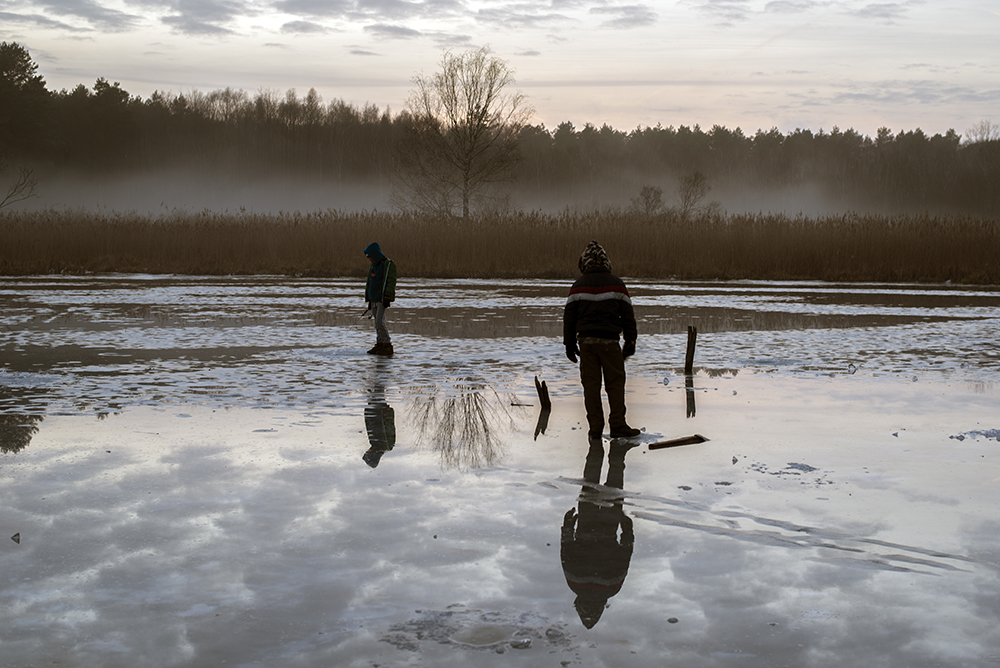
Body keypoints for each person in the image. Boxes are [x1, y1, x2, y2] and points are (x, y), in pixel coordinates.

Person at [563, 240, 640, 439]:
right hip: (610, 343)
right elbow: (628, 317)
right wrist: (630, 341)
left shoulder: (577, 287)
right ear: (606, 262)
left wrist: (569, 344)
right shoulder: (617, 284)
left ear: (584, 263)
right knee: (615, 384)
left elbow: (569, 319)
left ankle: (595, 428)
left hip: (587, 344)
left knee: (591, 386)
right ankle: (618, 425)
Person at [363, 242, 397, 356]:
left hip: (382, 299)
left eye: (372, 258)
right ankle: (380, 344)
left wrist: (387, 296)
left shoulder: (388, 265)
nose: (371, 261)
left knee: (379, 322)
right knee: (376, 323)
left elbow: (391, 281)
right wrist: (369, 299)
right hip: (374, 299)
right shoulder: (373, 266)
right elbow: (369, 283)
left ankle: (387, 345)